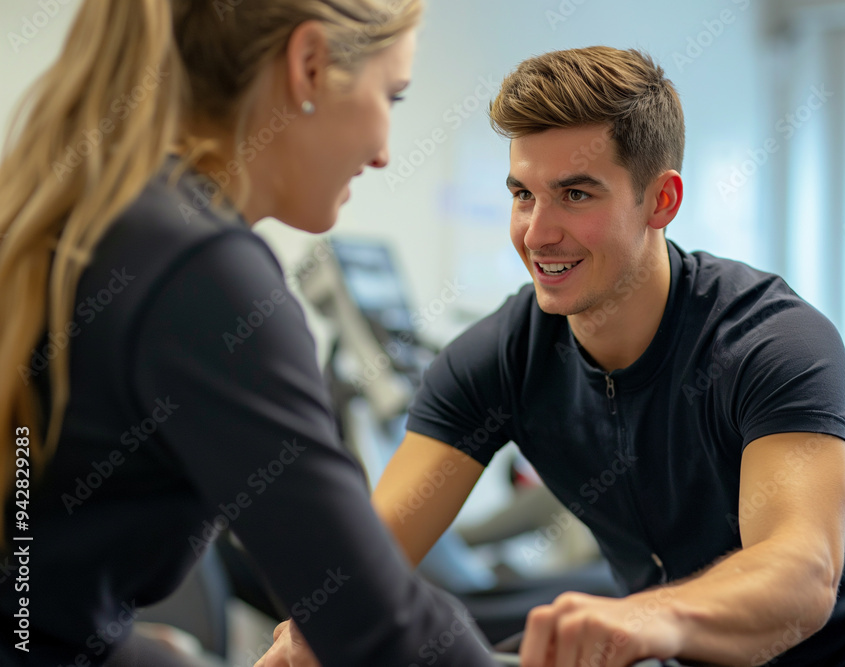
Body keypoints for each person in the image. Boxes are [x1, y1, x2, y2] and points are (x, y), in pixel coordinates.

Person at [360, 47, 845, 666]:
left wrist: (642, 618)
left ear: (661, 201)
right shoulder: (499, 358)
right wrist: (312, 628)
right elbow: (368, 556)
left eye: (575, 194)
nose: (537, 232)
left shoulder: (770, 342)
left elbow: (801, 573)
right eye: (523, 194)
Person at [0, 1, 497, 666]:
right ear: (310, 66)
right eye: (392, 96)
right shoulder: (202, 268)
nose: (384, 154)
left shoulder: (107, 217)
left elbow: (34, 611)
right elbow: (383, 631)